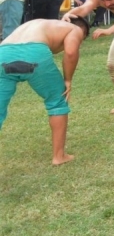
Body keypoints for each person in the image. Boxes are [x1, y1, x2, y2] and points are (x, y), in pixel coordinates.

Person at [0, 17, 89, 165]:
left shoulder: (38, 24)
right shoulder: (76, 29)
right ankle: (59, 156)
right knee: (57, 100)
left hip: (3, 54)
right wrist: (67, 80)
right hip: (34, 54)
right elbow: (71, 52)